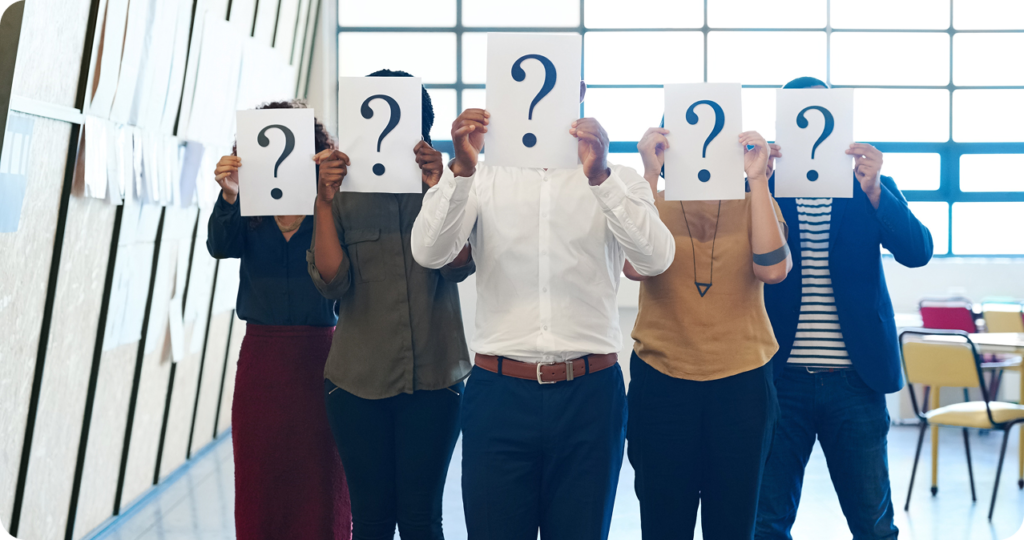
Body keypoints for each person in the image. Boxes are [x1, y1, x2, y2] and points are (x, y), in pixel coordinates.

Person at [410, 82, 676, 540]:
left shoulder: (619, 177)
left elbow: (655, 260)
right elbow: (429, 251)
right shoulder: (481, 177)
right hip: (499, 394)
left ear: (579, 90)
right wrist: (462, 170)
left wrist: (600, 178)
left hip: (590, 397)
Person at [755, 76, 934, 540]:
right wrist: (757, 180)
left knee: (873, 525)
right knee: (766, 524)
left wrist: (875, 191)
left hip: (856, 380)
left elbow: (917, 251)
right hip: (781, 378)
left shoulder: (869, 187)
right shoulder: (764, 188)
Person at [308, 69, 475, 540]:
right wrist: (323, 202)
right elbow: (331, 282)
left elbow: (458, 266)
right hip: (356, 381)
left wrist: (439, 188)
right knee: (372, 522)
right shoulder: (341, 191)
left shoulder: (446, 187)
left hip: (436, 378)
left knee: (423, 521)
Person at [624, 125, 790, 539]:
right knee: (662, 524)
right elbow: (633, 267)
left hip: (742, 382)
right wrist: (649, 173)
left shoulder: (755, 202)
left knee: (734, 524)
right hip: (661, 379)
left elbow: (773, 270)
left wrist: (757, 179)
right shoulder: (651, 202)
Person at [207, 100, 351, 540]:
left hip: (323, 360)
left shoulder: (331, 206)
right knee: (261, 484)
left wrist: (329, 192)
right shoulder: (248, 206)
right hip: (262, 364)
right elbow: (219, 246)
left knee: (322, 485)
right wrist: (229, 194)